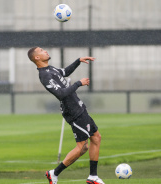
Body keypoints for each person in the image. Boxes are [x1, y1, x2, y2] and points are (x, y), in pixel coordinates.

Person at [27, 47, 105, 184]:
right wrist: (78, 83)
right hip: (72, 110)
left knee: (96, 137)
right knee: (82, 147)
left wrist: (78, 61)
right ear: (37, 58)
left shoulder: (50, 69)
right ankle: (54, 173)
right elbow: (61, 94)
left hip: (78, 106)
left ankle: (93, 176)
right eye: (41, 50)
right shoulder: (44, 75)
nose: (45, 51)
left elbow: (65, 72)